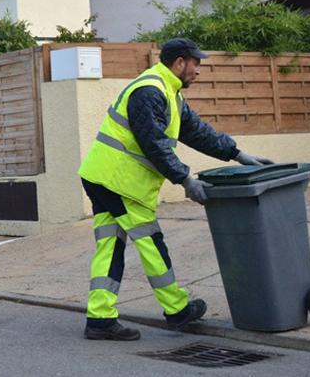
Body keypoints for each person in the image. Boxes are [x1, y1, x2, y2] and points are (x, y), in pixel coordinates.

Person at [78, 38, 274, 341]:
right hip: (119, 182)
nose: (198, 71)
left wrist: (238, 154)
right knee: (151, 242)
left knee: (110, 246)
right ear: (180, 63)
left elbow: (197, 132)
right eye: (196, 63)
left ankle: (100, 319)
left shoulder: (170, 94)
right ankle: (177, 309)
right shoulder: (150, 91)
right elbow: (154, 143)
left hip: (104, 177)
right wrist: (185, 180)